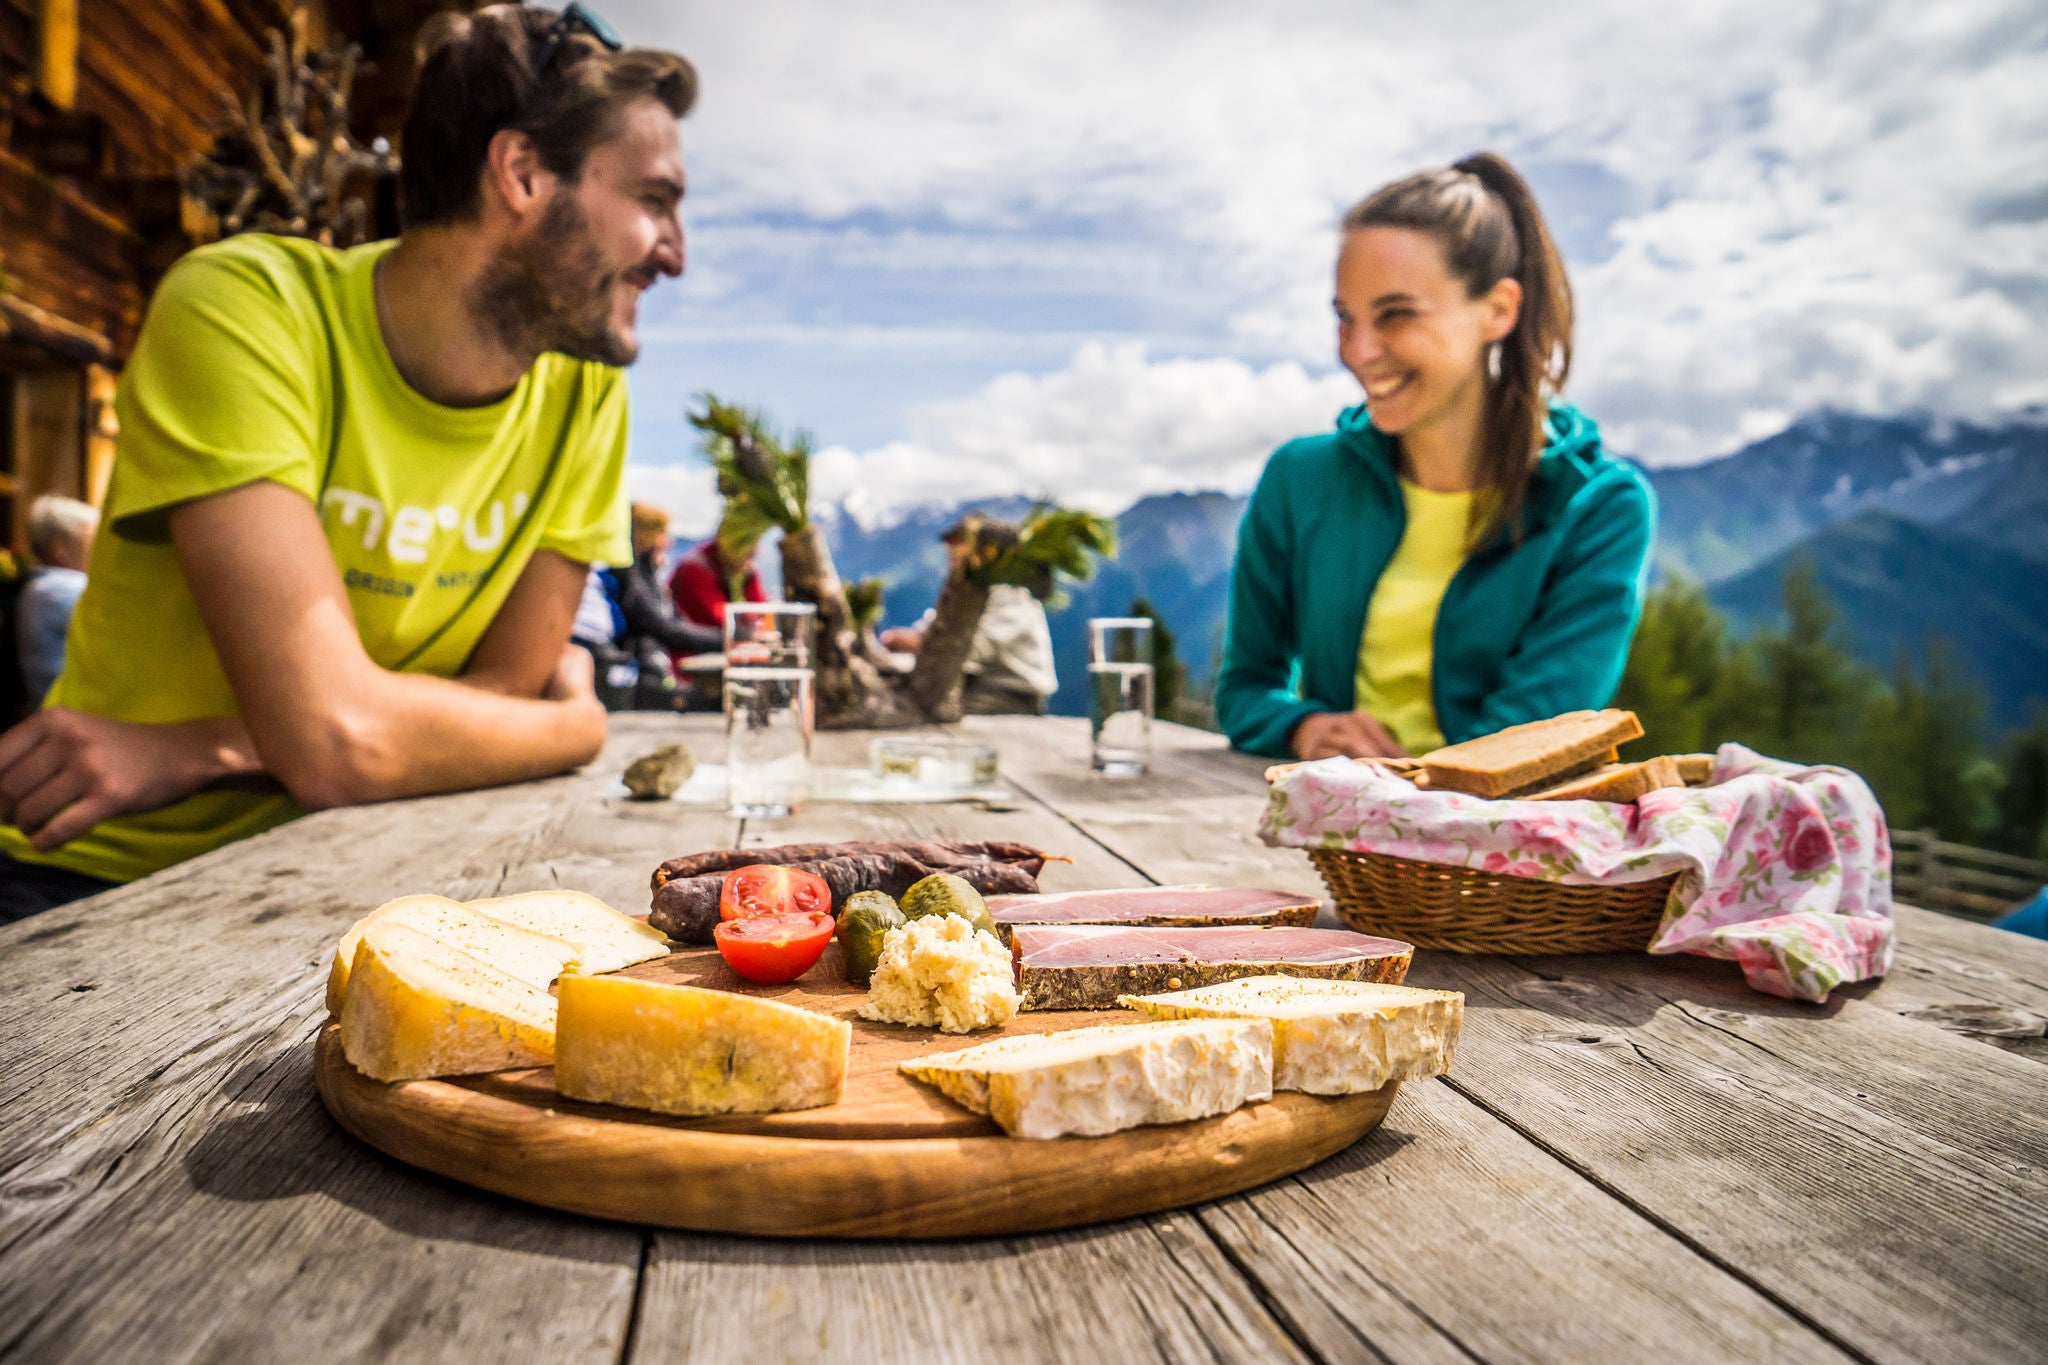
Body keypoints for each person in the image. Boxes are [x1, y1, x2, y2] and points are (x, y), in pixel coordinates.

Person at [0, 4, 696, 920]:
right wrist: (572, 725)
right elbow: (346, 742)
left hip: (365, 873)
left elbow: (494, 696)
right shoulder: (246, 311)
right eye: (654, 200)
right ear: (522, 173)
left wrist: (213, 745)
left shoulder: (586, 393)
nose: (676, 254)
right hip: (98, 880)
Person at [1215, 152, 1655, 761]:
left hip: (1497, 848)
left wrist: (1405, 789)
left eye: (1396, 315)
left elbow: (1527, 745)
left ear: (1498, 310)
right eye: (1346, 318)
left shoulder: (1599, 506)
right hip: (1342, 847)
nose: (1360, 351)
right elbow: (1245, 689)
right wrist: (1305, 727)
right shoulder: (1299, 479)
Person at [881, 519, 1058, 715]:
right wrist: (912, 637)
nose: (952, 554)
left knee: (924, 709)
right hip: (978, 685)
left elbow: (977, 648)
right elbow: (940, 624)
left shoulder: (1009, 593)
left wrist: (917, 642)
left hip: (1012, 693)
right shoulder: (967, 588)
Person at [616, 501, 718, 707]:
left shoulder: (649, 573)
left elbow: (678, 623)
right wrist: (725, 640)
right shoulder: (626, 573)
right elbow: (664, 628)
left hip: (658, 673)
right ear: (645, 535)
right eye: (662, 533)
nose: (669, 542)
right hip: (640, 678)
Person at [14, 497, 100, 708]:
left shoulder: (41, 586)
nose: (99, 547)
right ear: (59, 545)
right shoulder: (61, 588)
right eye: (91, 537)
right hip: (70, 714)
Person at [669, 529, 766, 629]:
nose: (751, 559)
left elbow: (761, 609)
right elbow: (715, 618)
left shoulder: (746, 571)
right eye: (747, 554)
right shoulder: (694, 569)